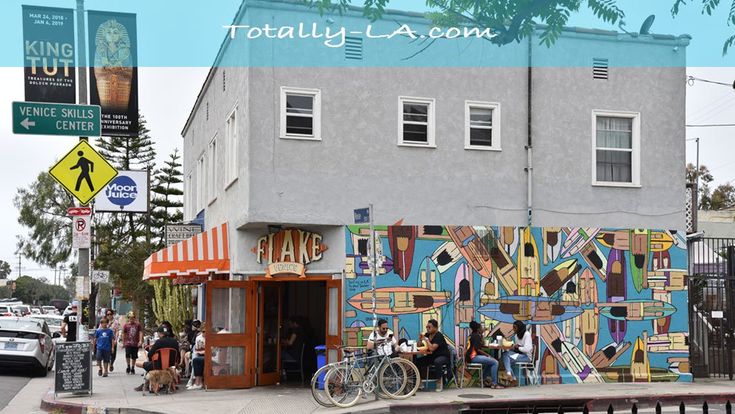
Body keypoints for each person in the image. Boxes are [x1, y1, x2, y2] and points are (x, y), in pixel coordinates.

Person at [134, 325, 180, 392]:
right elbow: (178, 356)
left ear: (159, 333)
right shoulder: (175, 341)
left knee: (138, 363)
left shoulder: (159, 342)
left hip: (157, 366)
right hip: (171, 366)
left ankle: (148, 385)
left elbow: (150, 355)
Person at [414, 319, 451, 391]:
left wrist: (426, 340)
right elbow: (419, 346)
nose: (427, 329)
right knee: (417, 362)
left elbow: (432, 348)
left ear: (435, 328)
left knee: (437, 361)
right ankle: (419, 382)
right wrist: (420, 339)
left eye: (429, 327)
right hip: (432, 356)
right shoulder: (427, 335)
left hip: (443, 356)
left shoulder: (439, 336)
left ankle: (439, 382)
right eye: (427, 327)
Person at [466, 321, 501, 388]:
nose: (483, 329)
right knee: (495, 362)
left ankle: (482, 380)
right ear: (478, 329)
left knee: (489, 363)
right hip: (473, 357)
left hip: (469, 357)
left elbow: (480, 344)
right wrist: (487, 355)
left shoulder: (472, 335)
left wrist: (481, 334)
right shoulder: (476, 336)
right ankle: (494, 384)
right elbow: (478, 349)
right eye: (481, 328)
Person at [502, 320, 534, 387]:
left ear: (519, 328)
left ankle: (512, 378)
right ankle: (511, 376)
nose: (513, 329)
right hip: (519, 354)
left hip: (526, 357)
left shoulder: (526, 334)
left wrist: (518, 347)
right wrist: (512, 345)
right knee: (505, 355)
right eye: (513, 327)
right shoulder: (517, 335)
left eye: (515, 328)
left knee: (506, 359)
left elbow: (527, 349)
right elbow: (517, 346)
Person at [189, 324, 206, 390]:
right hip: (202, 354)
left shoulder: (212, 337)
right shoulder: (199, 338)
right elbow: (198, 350)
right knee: (196, 360)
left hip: (211, 355)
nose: (205, 333)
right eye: (203, 331)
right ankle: (198, 382)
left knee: (197, 360)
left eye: (206, 331)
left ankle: (198, 382)